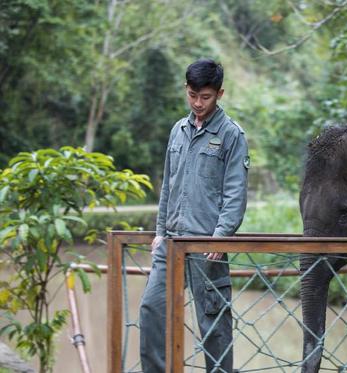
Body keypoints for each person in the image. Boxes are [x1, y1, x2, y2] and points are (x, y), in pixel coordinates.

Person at [139, 58, 249, 373]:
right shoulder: (178, 130)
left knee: (213, 321)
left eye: (205, 97)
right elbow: (167, 186)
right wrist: (159, 231)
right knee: (151, 309)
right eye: (192, 95)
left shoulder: (231, 135)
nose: (197, 103)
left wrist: (222, 233)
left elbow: (235, 193)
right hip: (170, 243)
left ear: (220, 94)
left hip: (207, 245)